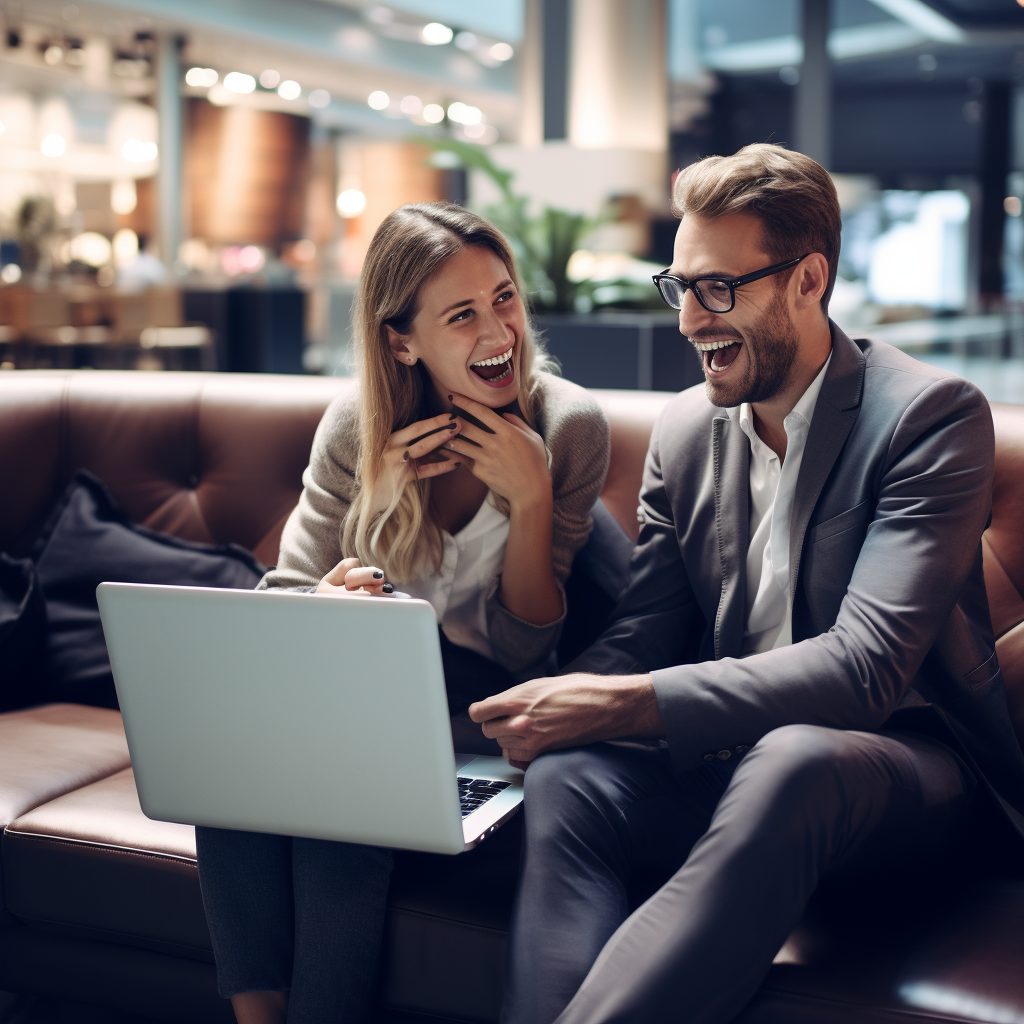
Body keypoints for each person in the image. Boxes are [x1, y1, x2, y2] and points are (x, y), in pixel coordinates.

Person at [468, 144, 1024, 1024]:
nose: (689, 320)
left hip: (910, 779)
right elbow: (643, 635)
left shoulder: (928, 416)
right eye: (679, 285)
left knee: (793, 756)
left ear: (809, 279)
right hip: (736, 766)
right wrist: (545, 703)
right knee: (570, 777)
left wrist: (623, 704)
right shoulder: (688, 429)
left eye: (718, 288)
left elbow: (864, 670)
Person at [194, 202, 610, 1024]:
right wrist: (368, 524)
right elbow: (281, 604)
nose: (499, 331)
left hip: (479, 717)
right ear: (401, 341)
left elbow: (531, 654)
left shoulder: (569, 427)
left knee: (340, 798)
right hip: (361, 708)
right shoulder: (358, 426)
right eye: (462, 314)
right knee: (227, 763)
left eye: (504, 298)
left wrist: (530, 498)